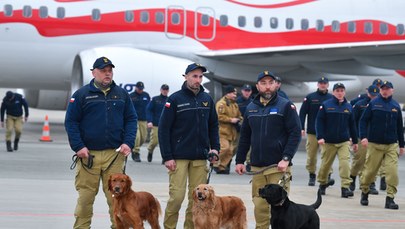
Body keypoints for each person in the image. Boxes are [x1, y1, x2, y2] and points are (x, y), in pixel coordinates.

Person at [65, 56, 137, 229]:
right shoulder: (81, 95)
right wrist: (79, 147)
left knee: (117, 200)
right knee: (85, 198)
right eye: (103, 71)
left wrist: (128, 142)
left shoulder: (121, 94)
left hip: (115, 155)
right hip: (88, 155)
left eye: (110, 71)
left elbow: (131, 119)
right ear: (93, 72)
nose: (107, 74)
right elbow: (71, 122)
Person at [235, 71, 301, 229]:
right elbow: (244, 136)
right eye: (263, 83)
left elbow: (295, 133)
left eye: (270, 83)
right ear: (257, 86)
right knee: (260, 207)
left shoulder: (285, 106)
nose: (267, 87)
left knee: (279, 210)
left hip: (277, 167)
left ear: (276, 85)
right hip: (257, 167)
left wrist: (286, 158)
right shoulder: (251, 108)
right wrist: (239, 161)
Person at [158, 63, 220, 229]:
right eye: (194, 76)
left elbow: (213, 125)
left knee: (198, 200)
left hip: (200, 157)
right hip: (178, 157)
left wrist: (215, 148)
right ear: (185, 77)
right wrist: (167, 156)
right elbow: (164, 129)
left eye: (200, 77)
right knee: (176, 197)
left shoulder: (207, 99)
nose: (198, 80)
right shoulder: (175, 99)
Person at [359, 81, 404, 210]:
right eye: (383, 89)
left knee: (392, 173)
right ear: (380, 90)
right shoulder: (373, 104)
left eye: (387, 89)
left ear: (392, 91)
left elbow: (399, 127)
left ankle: (390, 199)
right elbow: (363, 121)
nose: (385, 91)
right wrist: (364, 137)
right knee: (369, 172)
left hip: (391, 145)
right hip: (374, 144)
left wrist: (402, 145)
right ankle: (365, 192)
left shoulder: (395, 106)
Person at [316, 83, 358, 198]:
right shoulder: (326, 105)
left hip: (343, 141)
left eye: (342, 90)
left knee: (345, 164)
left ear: (344, 92)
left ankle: (345, 187)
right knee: (325, 165)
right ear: (333, 92)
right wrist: (320, 137)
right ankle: (322, 183)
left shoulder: (348, 107)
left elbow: (352, 125)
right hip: (329, 142)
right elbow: (319, 122)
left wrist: (355, 141)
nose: (340, 93)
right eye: (337, 90)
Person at [299, 77, 333, 186]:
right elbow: (303, 113)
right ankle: (312, 175)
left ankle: (327, 175)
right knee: (312, 155)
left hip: (326, 133)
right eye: (321, 83)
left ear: (328, 85)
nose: (323, 85)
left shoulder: (331, 98)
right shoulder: (310, 97)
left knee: (327, 155)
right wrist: (301, 128)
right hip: (312, 132)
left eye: (325, 83)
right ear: (318, 84)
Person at [349, 85, 380, 194]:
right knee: (360, 160)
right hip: (361, 136)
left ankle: (370, 183)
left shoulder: (381, 105)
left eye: (376, 95)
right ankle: (352, 177)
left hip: (375, 138)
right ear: (368, 94)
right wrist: (352, 137)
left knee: (373, 162)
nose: (374, 97)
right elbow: (352, 121)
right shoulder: (360, 105)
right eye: (372, 95)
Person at [214, 85, 242, 174]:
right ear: (228, 93)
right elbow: (219, 116)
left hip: (232, 132)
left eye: (235, 94)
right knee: (224, 148)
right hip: (223, 131)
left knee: (230, 151)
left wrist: (240, 119)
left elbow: (239, 115)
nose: (235, 95)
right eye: (233, 93)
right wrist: (230, 120)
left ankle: (221, 167)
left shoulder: (235, 105)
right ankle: (214, 163)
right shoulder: (221, 104)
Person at [145, 83, 169, 162]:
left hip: (166, 125)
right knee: (155, 141)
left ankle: (165, 157)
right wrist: (149, 121)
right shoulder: (155, 99)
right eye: (163, 89)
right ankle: (150, 151)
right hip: (156, 124)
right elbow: (149, 110)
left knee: (166, 142)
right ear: (161, 90)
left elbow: (171, 112)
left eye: (166, 90)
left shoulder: (169, 100)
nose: (165, 91)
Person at [129, 81, 150, 162]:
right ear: (136, 88)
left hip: (144, 119)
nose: (140, 90)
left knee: (143, 138)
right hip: (134, 119)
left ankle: (134, 148)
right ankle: (136, 152)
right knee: (137, 137)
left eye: (141, 89)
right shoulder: (131, 96)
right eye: (139, 88)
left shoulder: (146, 95)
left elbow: (149, 108)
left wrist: (149, 119)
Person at [236, 84, 253, 171]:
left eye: (248, 91)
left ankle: (249, 163)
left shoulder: (253, 102)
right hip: (237, 127)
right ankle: (226, 163)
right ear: (242, 91)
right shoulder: (237, 102)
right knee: (235, 147)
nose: (247, 92)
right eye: (245, 90)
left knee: (250, 146)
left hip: (249, 128)